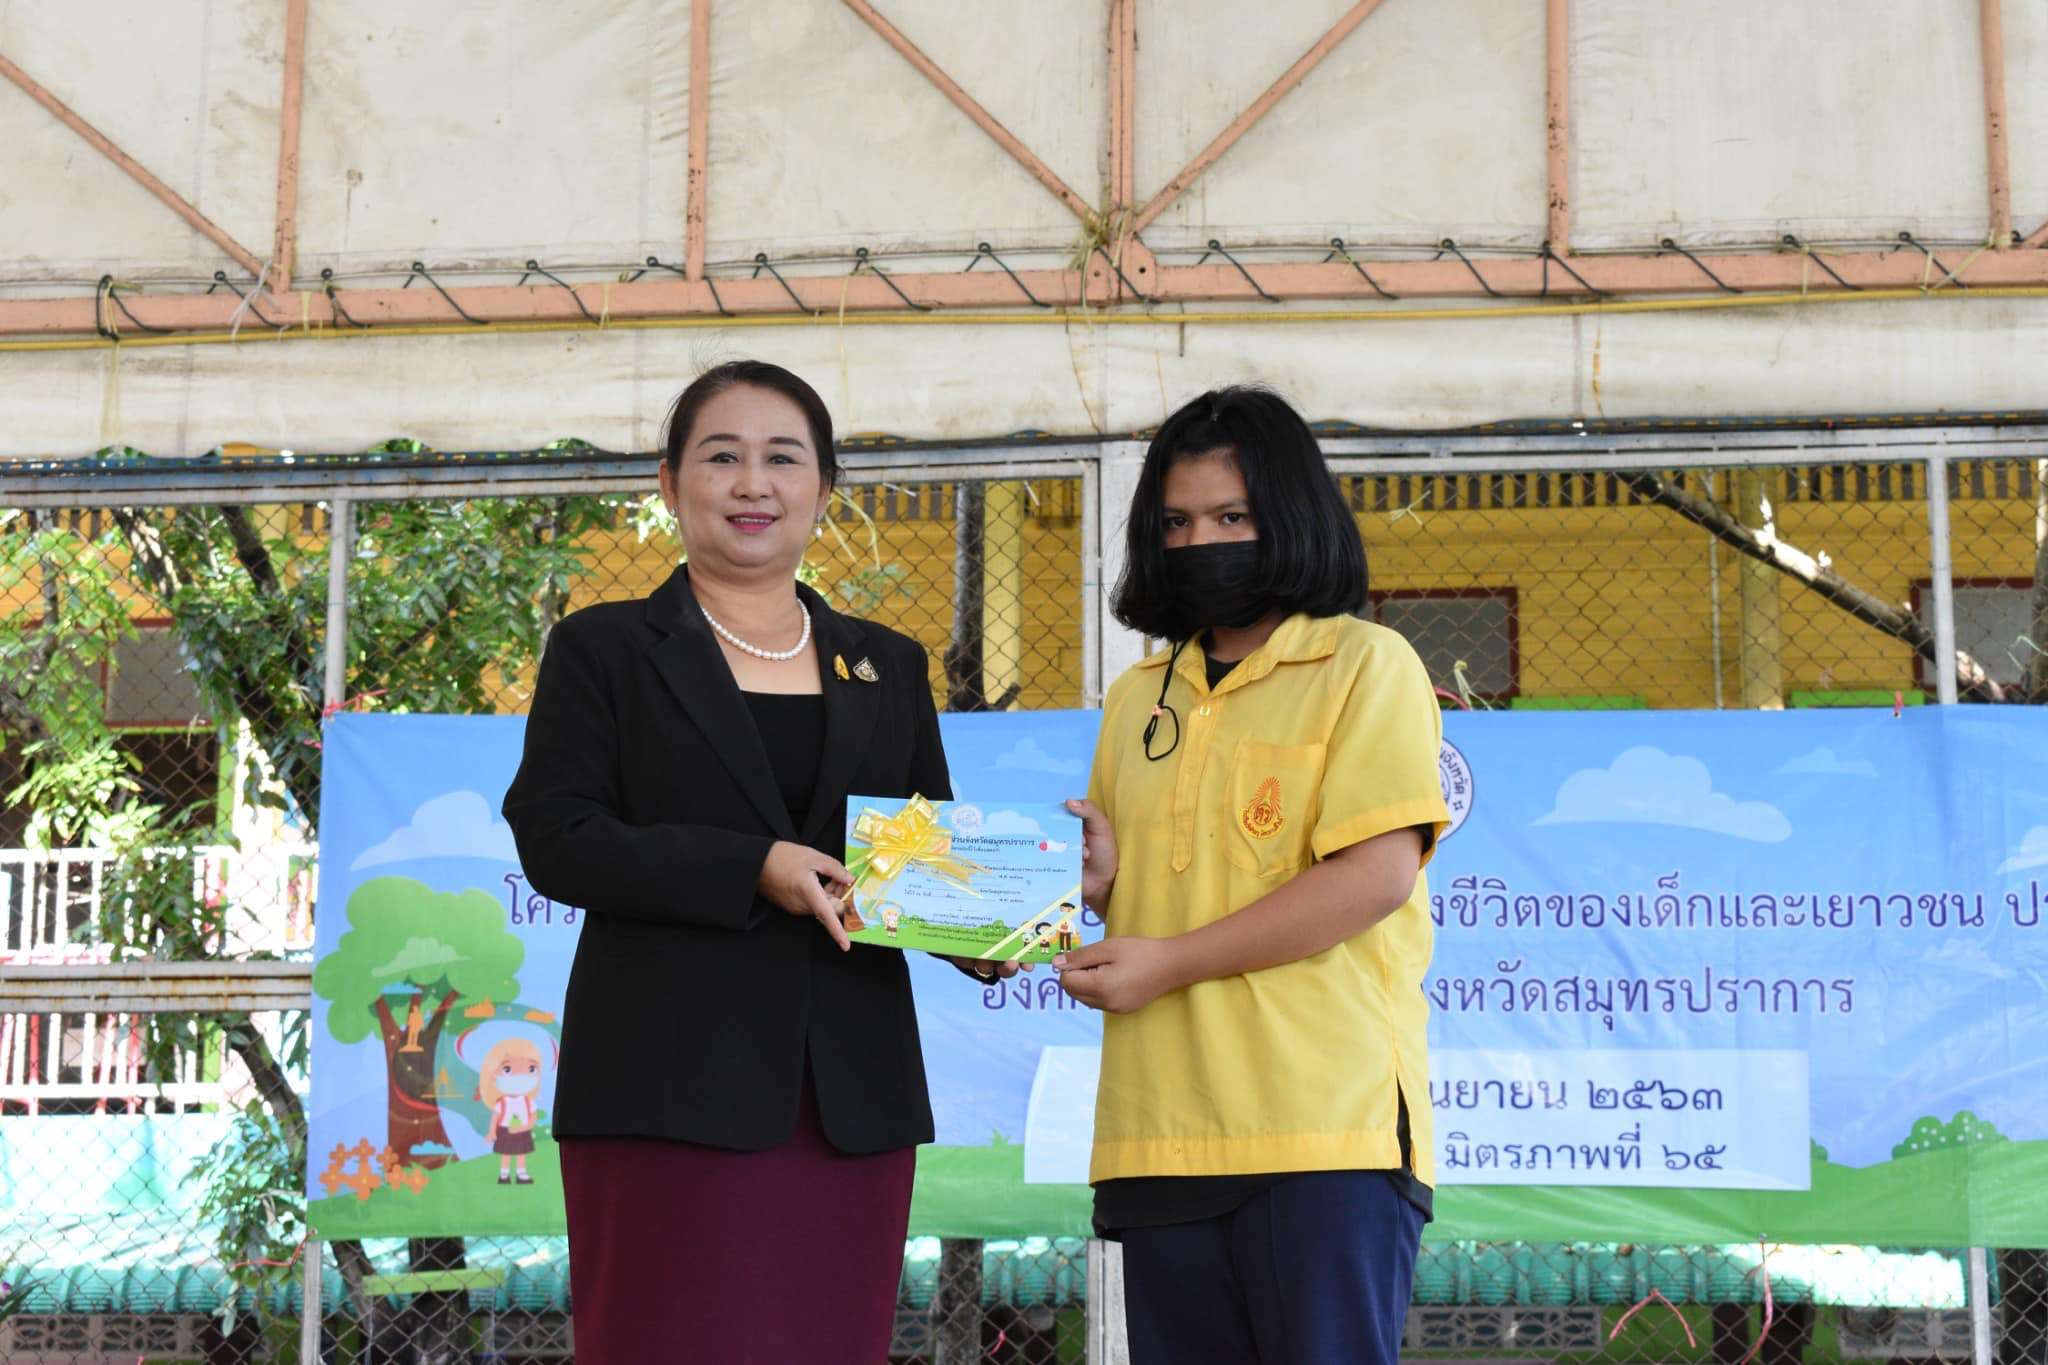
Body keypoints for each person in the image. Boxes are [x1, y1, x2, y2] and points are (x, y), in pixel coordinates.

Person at [502, 360, 1015, 1363]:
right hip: (663, 1092)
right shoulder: (604, 649)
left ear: (823, 489)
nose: (752, 484)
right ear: (669, 482)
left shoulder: (887, 662)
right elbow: (557, 836)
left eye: (782, 458)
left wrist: (995, 929)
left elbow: (918, 858)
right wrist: (751, 867)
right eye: (721, 457)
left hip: (850, 1103)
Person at [1057, 386, 1450, 1365]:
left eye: (1231, 517)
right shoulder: (1136, 698)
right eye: (1176, 523)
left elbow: (1373, 877)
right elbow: (1143, 891)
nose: (1201, 543)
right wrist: (1096, 889)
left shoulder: (1365, 664)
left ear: (1290, 517)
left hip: (1323, 1136)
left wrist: (1168, 960)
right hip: (1155, 1135)